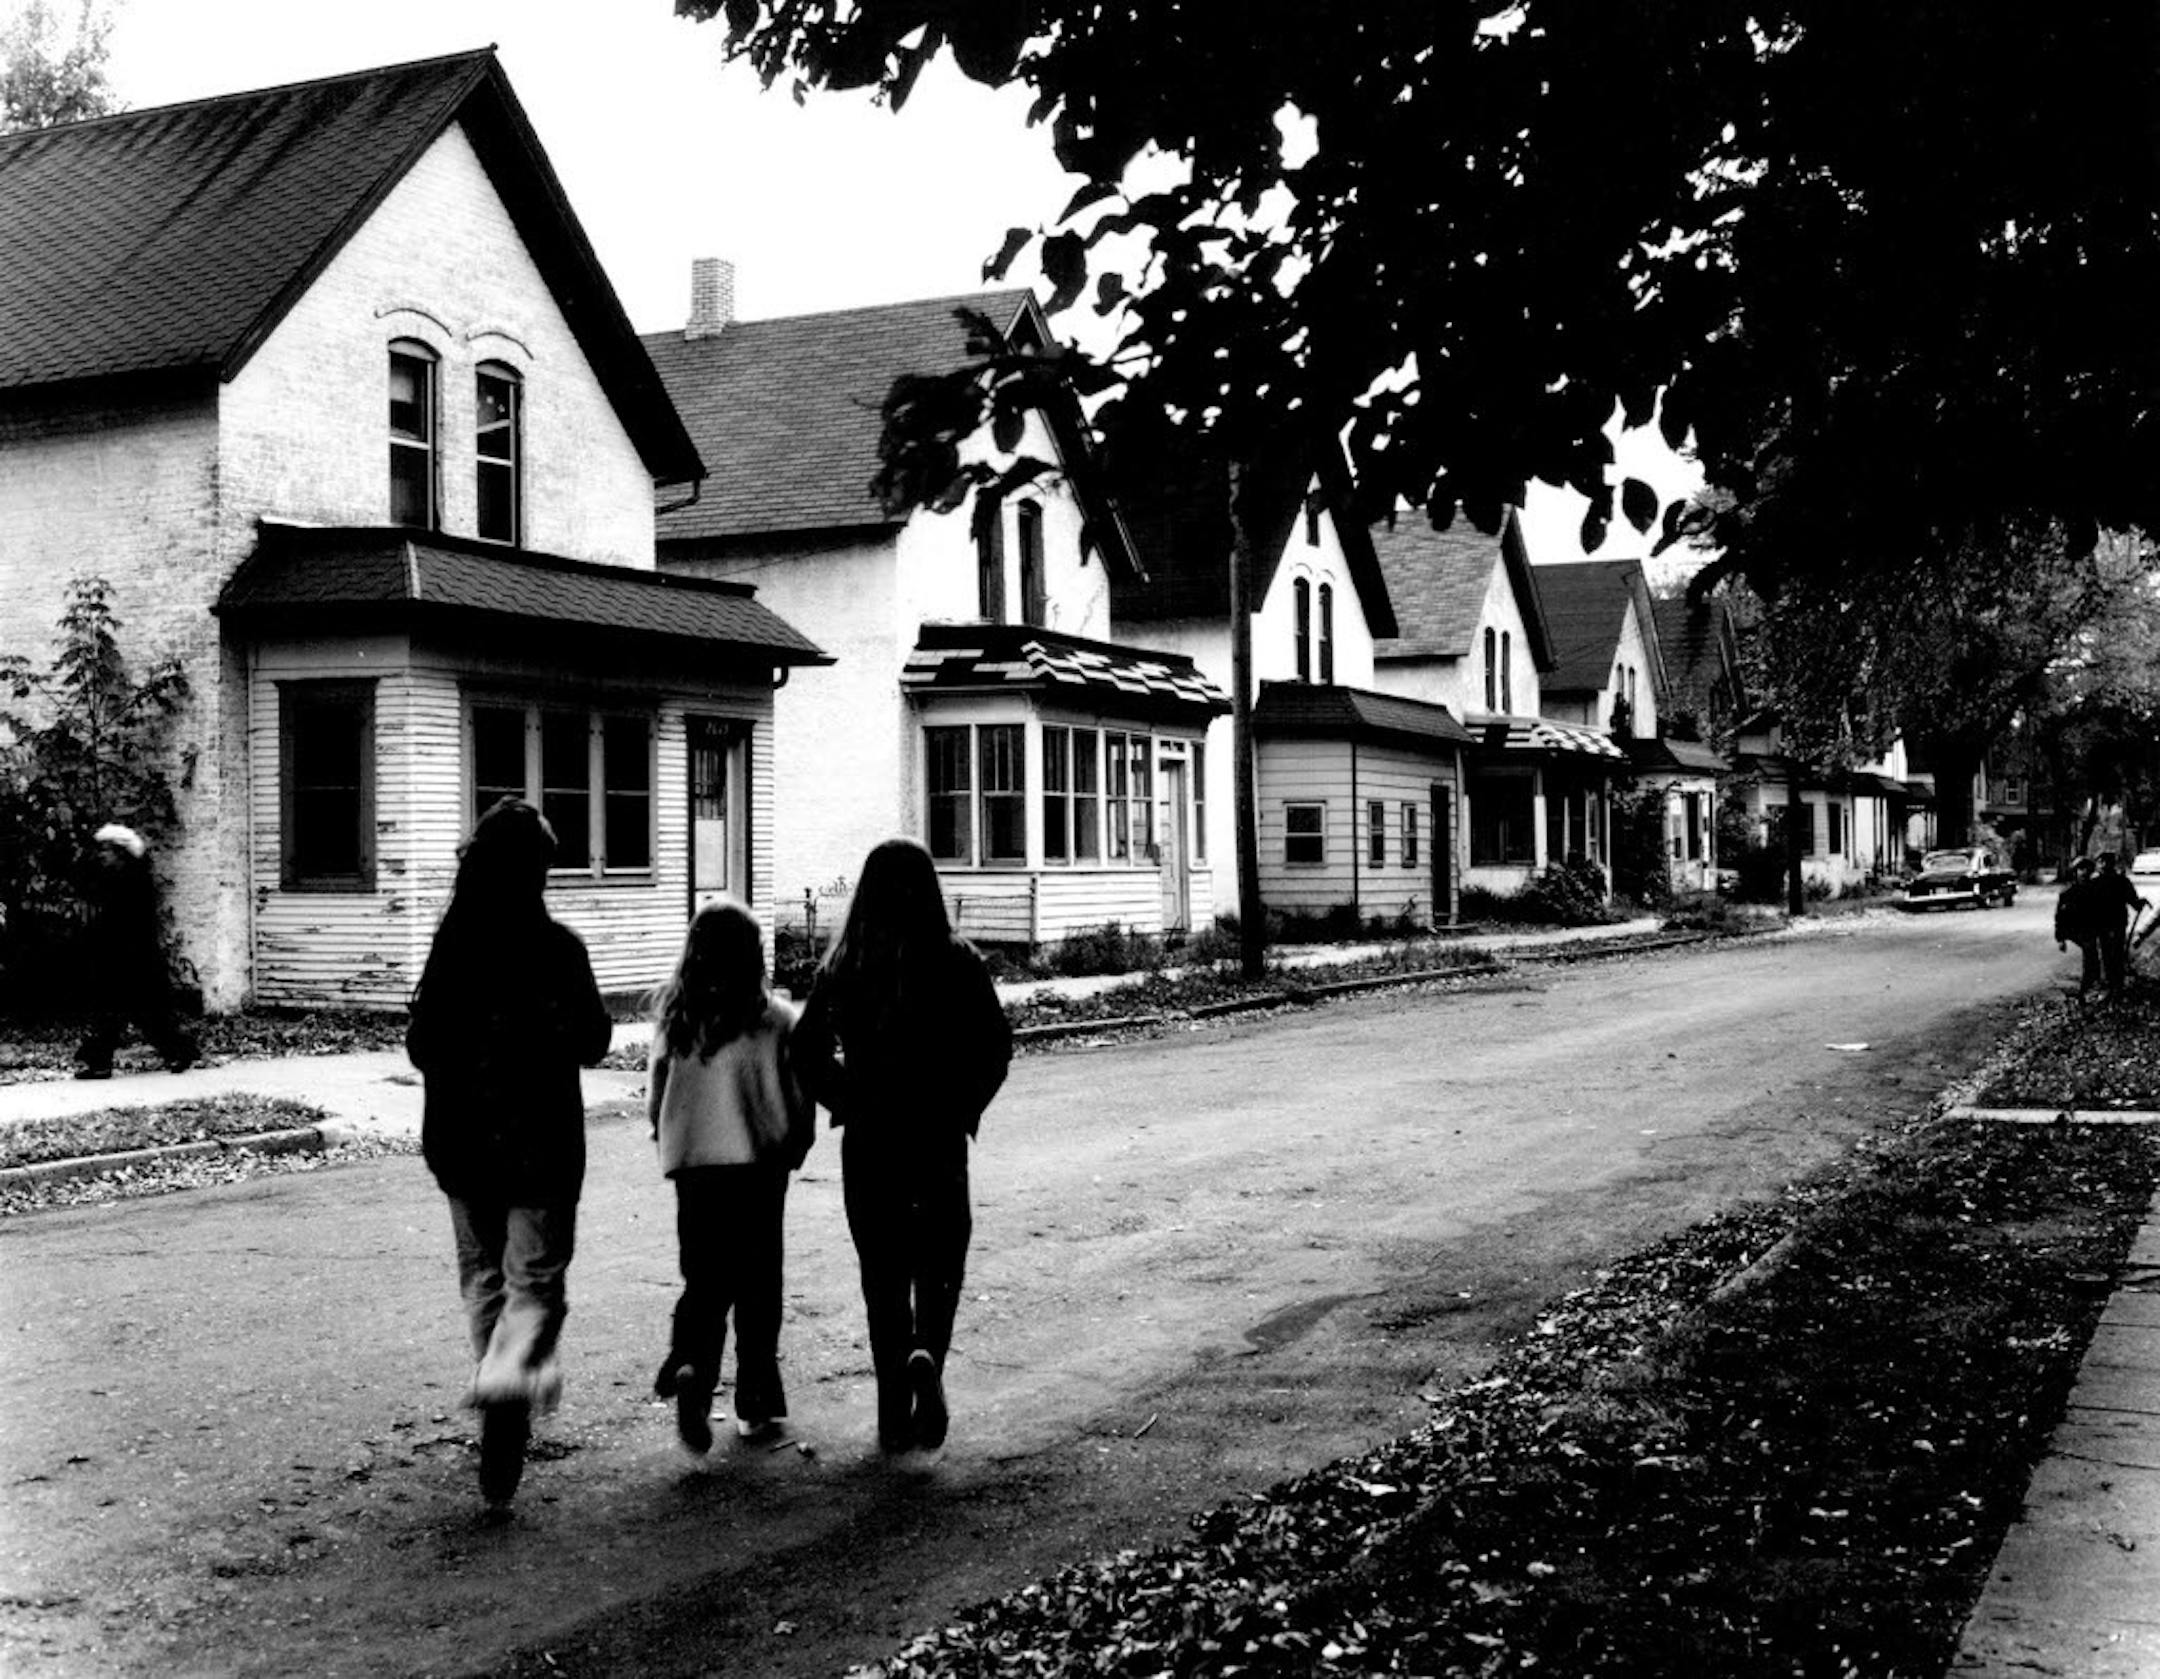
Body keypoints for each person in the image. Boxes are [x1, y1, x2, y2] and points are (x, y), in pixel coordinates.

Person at [405, 798, 612, 1513]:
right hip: (542, 1146)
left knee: (484, 1277)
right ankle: (508, 1380)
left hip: (463, 1144)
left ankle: (499, 1376)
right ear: (538, 871)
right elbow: (592, 1040)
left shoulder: (452, 946)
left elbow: (421, 1045)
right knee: (536, 1279)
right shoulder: (559, 949)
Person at [794, 838, 1011, 1455]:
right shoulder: (957, 961)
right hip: (937, 1136)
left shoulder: (846, 965)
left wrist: (846, 1099)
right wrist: (962, 1106)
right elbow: (996, 1047)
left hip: (871, 1138)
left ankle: (893, 1416)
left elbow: (803, 1052)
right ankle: (928, 1358)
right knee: (940, 1266)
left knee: (882, 1276)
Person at [646, 898, 815, 1454]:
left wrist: (665, 1138)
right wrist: (796, 1144)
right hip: (758, 1170)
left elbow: (657, 1099)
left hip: (694, 1170)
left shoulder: (678, 1021)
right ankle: (755, 1401)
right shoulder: (777, 1021)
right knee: (758, 1286)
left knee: (705, 1276)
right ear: (755, 955)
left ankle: (694, 1364)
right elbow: (798, 1096)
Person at [74, 822, 197, 1080]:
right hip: (116, 954)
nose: (101, 855)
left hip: (136, 955)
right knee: (112, 1011)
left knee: (149, 1013)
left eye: (106, 851)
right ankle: (100, 1062)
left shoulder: (135, 880)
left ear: (120, 852)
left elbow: (134, 922)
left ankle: (179, 1051)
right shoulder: (107, 878)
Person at [2092, 850, 2149, 1001]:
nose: (2103, 865)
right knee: (2113, 954)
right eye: (2101, 862)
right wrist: (2140, 903)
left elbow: (2133, 901)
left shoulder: (2113, 882)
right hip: (2107, 924)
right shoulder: (2117, 882)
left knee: (2111, 955)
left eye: (2105, 862)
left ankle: (2114, 987)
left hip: (2113, 924)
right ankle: (2115, 987)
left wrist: (2139, 903)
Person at [2055, 856, 2101, 1003]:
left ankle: (2088, 988)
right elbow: (2060, 917)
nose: (2084, 872)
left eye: (2087, 869)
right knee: (2089, 956)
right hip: (2074, 932)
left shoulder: (2096, 890)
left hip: (2091, 930)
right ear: (2075, 871)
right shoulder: (2067, 893)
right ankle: (2084, 990)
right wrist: (2060, 939)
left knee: (2093, 959)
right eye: (2081, 869)